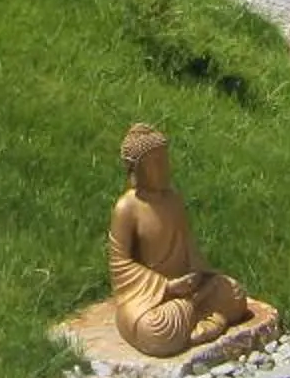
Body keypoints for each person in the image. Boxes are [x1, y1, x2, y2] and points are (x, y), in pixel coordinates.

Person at [106, 123, 259, 357]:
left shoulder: (173, 199)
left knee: (234, 292)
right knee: (156, 329)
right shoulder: (127, 208)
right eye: (155, 163)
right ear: (136, 169)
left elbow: (187, 245)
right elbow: (119, 263)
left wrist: (198, 274)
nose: (164, 168)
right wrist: (166, 287)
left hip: (189, 287)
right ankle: (206, 318)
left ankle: (202, 317)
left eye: (165, 160)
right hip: (152, 298)